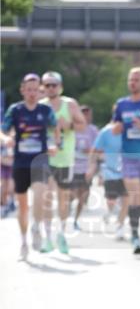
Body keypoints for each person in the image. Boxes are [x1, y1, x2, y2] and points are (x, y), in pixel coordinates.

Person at [2, 74, 57, 259]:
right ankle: (24, 241)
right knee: (23, 206)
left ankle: (36, 227)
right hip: (21, 162)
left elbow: (55, 130)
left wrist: (54, 144)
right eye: (29, 90)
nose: (32, 93)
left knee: (40, 194)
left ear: (39, 91)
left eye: (35, 90)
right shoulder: (15, 110)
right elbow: (3, 130)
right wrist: (6, 139)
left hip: (40, 160)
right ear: (23, 91)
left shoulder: (46, 110)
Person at [111, 67, 140, 255]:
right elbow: (115, 125)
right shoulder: (121, 104)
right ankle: (135, 234)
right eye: (130, 79)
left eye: (136, 80)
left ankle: (135, 225)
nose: (132, 83)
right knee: (133, 192)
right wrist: (116, 128)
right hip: (128, 156)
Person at [40, 70, 86, 254]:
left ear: (60, 87)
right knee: (46, 197)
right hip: (45, 157)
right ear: (43, 87)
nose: (51, 88)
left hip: (65, 158)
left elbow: (83, 125)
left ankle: (61, 235)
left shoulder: (70, 104)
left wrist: (69, 125)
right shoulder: (40, 105)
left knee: (63, 199)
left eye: (54, 85)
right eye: (47, 85)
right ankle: (47, 237)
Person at [88, 115, 128, 239]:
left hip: (127, 172)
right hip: (110, 171)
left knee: (126, 199)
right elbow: (95, 150)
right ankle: (109, 212)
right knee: (111, 200)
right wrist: (91, 167)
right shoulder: (105, 132)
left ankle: (120, 227)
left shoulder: (129, 132)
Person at [71, 106, 98, 231]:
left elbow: (98, 149)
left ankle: (75, 220)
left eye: (89, 115)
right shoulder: (72, 128)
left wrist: (90, 152)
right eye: (84, 115)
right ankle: (65, 217)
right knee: (70, 194)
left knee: (82, 196)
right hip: (71, 167)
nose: (87, 117)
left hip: (86, 168)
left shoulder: (93, 130)